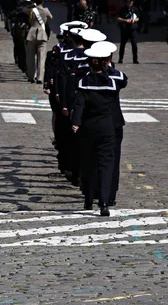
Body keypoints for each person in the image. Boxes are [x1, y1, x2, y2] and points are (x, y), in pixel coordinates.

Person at [71, 45, 117, 217]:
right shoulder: (112, 82)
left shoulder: (84, 82)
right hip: (106, 128)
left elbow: (79, 104)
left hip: (88, 128)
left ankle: (88, 198)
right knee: (106, 166)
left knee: (88, 164)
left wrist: (75, 123)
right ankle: (104, 203)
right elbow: (123, 79)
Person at [91, 41, 128, 206]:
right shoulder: (116, 75)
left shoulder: (87, 75)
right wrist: (110, 67)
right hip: (113, 122)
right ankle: (110, 193)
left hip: (92, 122)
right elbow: (123, 80)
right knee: (112, 158)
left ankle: (96, 190)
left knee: (92, 157)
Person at [26, 0, 52, 84]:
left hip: (32, 33)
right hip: (42, 34)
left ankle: (31, 76)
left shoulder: (32, 11)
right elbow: (50, 18)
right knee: (41, 57)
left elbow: (29, 20)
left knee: (30, 57)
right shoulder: (46, 10)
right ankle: (40, 77)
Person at [116, 0, 140, 64]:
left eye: (131, 2)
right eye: (128, 2)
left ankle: (135, 59)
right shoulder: (122, 10)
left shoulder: (135, 9)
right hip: (124, 29)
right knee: (122, 45)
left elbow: (138, 18)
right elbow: (118, 18)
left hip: (133, 29)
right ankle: (120, 58)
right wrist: (125, 20)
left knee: (134, 45)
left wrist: (134, 20)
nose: (130, 3)